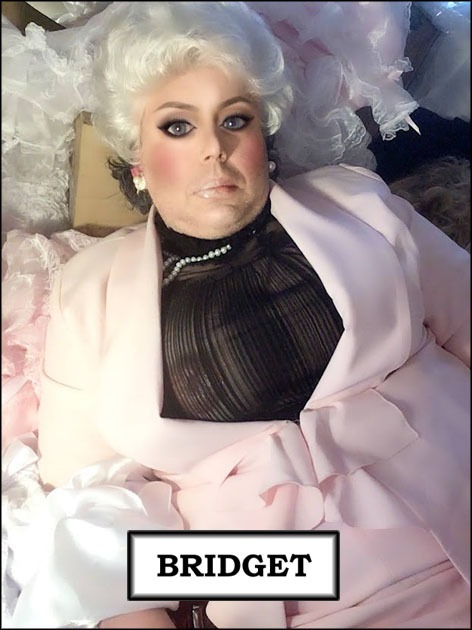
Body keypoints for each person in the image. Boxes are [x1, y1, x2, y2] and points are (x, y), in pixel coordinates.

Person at [9, 2, 470, 628]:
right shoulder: (86, 291)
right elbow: (88, 502)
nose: (213, 149)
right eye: (177, 126)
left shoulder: (359, 204)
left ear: (265, 139)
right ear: (137, 158)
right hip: (288, 595)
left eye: (235, 120)